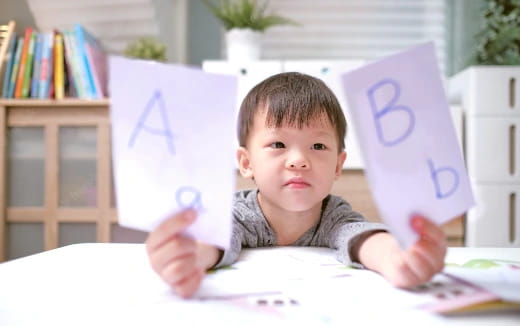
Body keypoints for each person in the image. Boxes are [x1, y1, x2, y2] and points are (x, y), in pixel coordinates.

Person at [146, 72, 447, 298]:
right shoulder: (237, 214)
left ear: (338, 166)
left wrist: (399, 259)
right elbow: (215, 238)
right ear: (246, 162)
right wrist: (187, 256)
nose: (299, 160)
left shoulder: (334, 216)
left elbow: (363, 239)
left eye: (317, 146)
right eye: (278, 143)